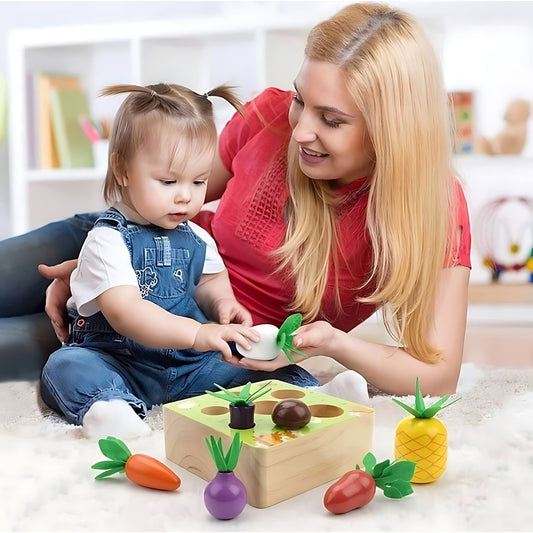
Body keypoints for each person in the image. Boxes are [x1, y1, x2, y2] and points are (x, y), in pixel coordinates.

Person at [0, 2, 470, 400]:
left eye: (331, 119)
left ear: (392, 130)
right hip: (127, 237)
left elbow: (438, 374)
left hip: (182, 333)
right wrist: (96, 264)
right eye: (301, 100)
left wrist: (336, 346)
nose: (302, 130)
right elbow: (176, 192)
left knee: (15, 349)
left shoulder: (434, 209)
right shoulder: (269, 115)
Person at [38, 82, 320, 439]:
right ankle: (109, 408)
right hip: (121, 362)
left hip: (189, 368)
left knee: (245, 364)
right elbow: (126, 312)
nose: (186, 196)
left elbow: (209, 281)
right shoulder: (106, 240)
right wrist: (199, 332)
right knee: (66, 366)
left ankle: (311, 395)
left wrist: (224, 304)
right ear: (123, 170)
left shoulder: (197, 237)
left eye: (199, 181)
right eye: (169, 181)